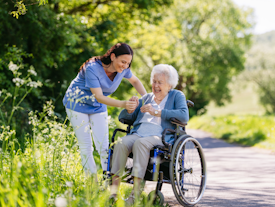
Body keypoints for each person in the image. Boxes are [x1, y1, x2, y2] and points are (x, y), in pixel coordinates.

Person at [109, 64, 189, 205]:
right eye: (154, 81)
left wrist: (157, 112)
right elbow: (125, 118)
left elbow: (184, 116)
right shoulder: (146, 98)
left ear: (170, 85)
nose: (156, 85)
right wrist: (130, 108)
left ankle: (135, 194)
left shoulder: (176, 95)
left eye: (160, 82)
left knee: (141, 143)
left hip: (160, 136)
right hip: (138, 133)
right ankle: (113, 193)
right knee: (120, 143)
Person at [63, 43, 146, 177]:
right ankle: (92, 183)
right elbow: (100, 97)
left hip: (97, 106)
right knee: (86, 146)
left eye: (128, 63)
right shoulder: (93, 68)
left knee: (103, 145)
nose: (125, 66)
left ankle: (109, 179)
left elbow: (135, 81)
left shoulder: (123, 70)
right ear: (113, 56)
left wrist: (147, 98)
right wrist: (123, 104)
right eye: (123, 62)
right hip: (77, 104)